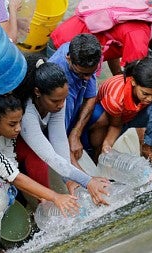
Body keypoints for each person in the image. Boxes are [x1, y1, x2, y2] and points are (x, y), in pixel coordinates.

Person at [13, 57, 110, 206]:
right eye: (55, 101)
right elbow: (49, 156)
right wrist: (87, 181)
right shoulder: (27, 113)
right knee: (37, 160)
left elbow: (59, 141)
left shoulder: (58, 101)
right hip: (14, 149)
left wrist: (69, 180)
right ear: (38, 92)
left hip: (37, 146)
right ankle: (43, 204)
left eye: (63, 99)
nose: (60, 105)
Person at [88, 57, 152, 171]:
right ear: (133, 81)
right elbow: (116, 125)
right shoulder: (116, 97)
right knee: (98, 146)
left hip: (133, 115)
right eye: (145, 93)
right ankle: (96, 160)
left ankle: (147, 149)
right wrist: (107, 144)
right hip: (110, 117)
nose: (149, 99)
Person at [48, 34, 102, 166]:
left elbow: (91, 97)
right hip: (55, 124)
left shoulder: (87, 57)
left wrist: (76, 133)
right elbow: (57, 136)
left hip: (74, 115)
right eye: (82, 74)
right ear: (68, 59)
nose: (88, 78)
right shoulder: (58, 81)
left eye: (91, 73)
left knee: (102, 117)